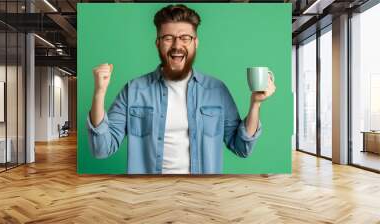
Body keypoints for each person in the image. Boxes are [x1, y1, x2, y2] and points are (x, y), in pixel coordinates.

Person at [87, 4, 276, 174]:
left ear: (196, 43)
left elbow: (242, 147)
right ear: (158, 43)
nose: (177, 46)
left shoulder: (217, 90)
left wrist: (255, 104)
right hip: (148, 197)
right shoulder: (134, 90)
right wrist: (99, 93)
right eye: (168, 38)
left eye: (185, 38)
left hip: (201, 197)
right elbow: (102, 149)